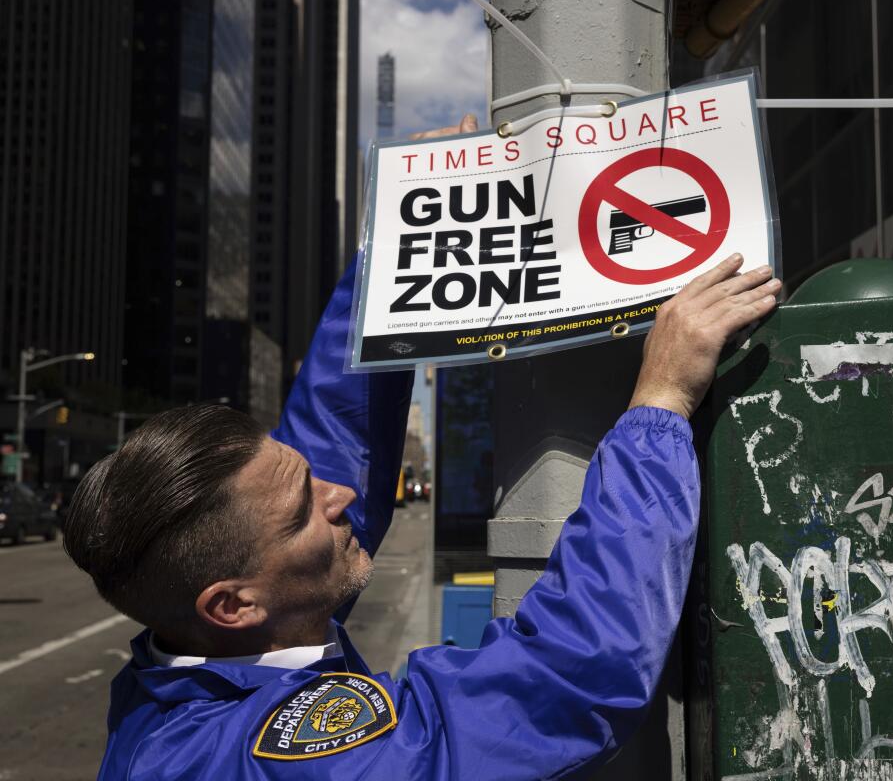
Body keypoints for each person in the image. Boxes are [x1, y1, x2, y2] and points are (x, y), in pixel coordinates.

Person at [61, 128, 782, 777]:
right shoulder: (271, 762)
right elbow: (566, 679)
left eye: (307, 481)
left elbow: (331, 443)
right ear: (234, 603)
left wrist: (400, 243)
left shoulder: (202, 660)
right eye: (301, 513)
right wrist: (659, 403)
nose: (339, 495)